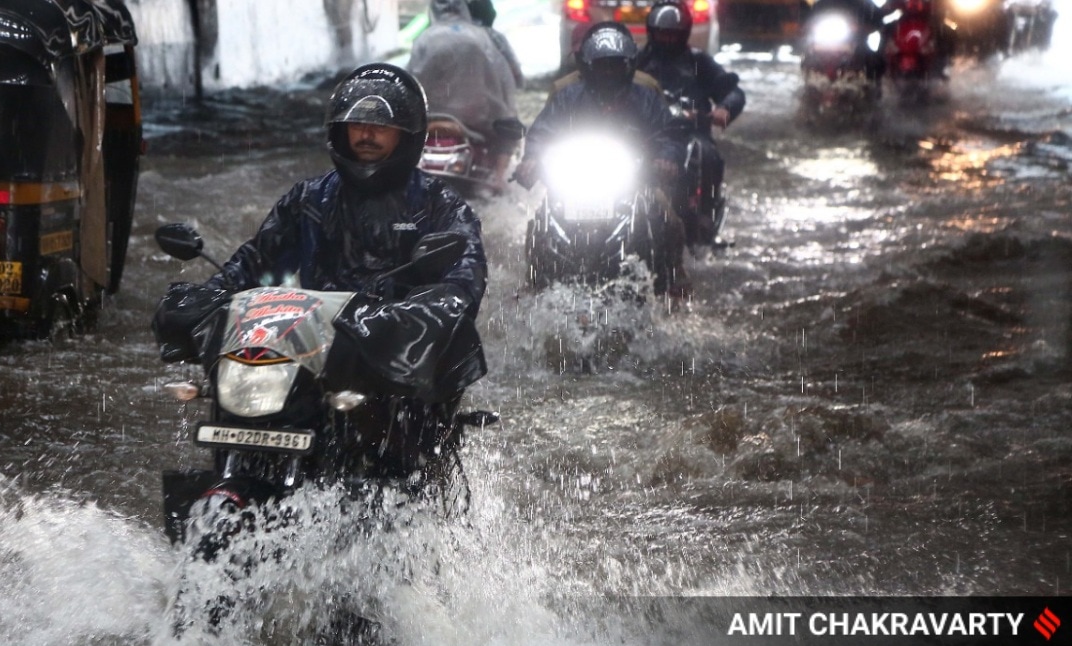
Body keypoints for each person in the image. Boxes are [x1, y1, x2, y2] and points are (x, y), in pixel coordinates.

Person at [158, 63, 488, 478]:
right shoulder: (309, 198)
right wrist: (212, 293)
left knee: (402, 458)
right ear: (340, 131)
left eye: (379, 127)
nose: (366, 134)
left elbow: (463, 279)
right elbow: (254, 262)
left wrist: (421, 313)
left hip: (394, 357)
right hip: (312, 347)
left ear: (407, 135)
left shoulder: (440, 205)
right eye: (357, 125)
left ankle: (402, 504)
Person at [513, 22, 691, 297]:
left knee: (668, 218)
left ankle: (674, 279)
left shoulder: (645, 97)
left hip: (635, 183)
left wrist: (666, 159)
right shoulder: (567, 97)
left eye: (615, 65)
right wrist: (532, 159)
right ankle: (534, 284)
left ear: (629, 65)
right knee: (540, 221)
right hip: (574, 182)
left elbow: (668, 135)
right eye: (602, 65)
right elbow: (542, 133)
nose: (609, 72)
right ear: (587, 67)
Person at [636, 0, 745, 246]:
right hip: (648, 136)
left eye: (672, 34)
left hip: (690, 133)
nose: (667, 39)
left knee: (706, 154)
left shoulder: (699, 61)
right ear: (652, 32)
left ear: (683, 33)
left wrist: (724, 109)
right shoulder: (637, 62)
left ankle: (705, 216)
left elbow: (732, 91)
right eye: (662, 33)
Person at [408, 0, 523, 193]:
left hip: (429, 119)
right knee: (509, 128)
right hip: (477, 120)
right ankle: (499, 178)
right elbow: (506, 78)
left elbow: (409, 79)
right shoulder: (484, 37)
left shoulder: (424, 38)